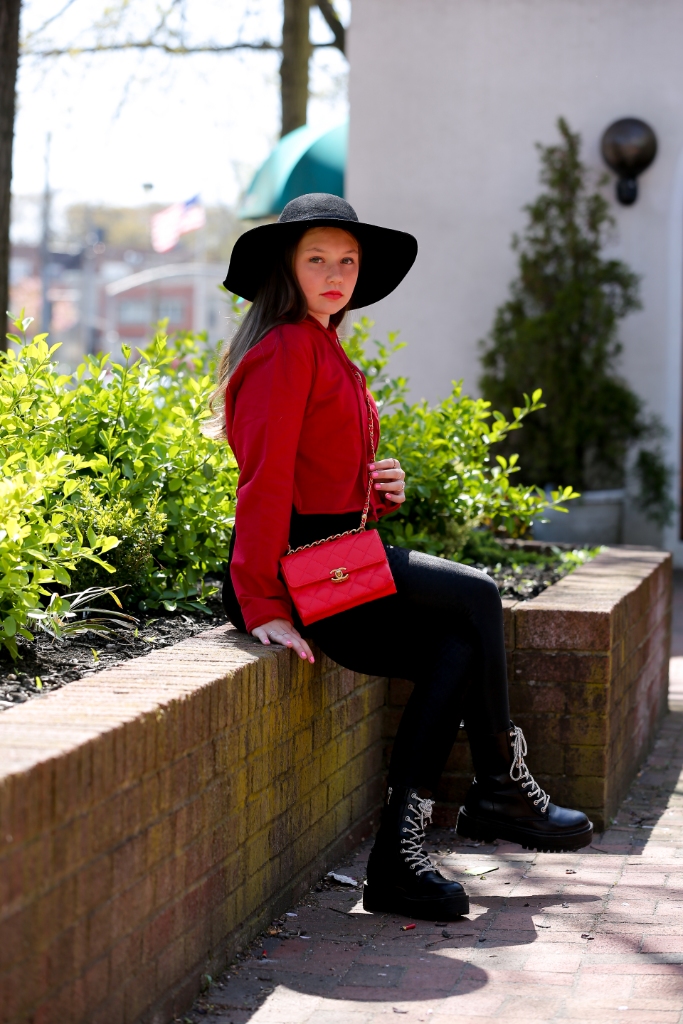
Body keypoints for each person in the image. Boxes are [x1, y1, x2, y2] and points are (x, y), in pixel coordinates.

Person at [209, 193, 593, 921]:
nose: (335, 274)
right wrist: (259, 603)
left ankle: (396, 862)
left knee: (454, 649)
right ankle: (499, 787)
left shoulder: (324, 349)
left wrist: (375, 490)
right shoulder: (286, 348)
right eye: (317, 259)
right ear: (286, 268)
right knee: (477, 593)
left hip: (333, 557)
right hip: (298, 571)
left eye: (347, 261)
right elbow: (264, 484)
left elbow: (317, 476)